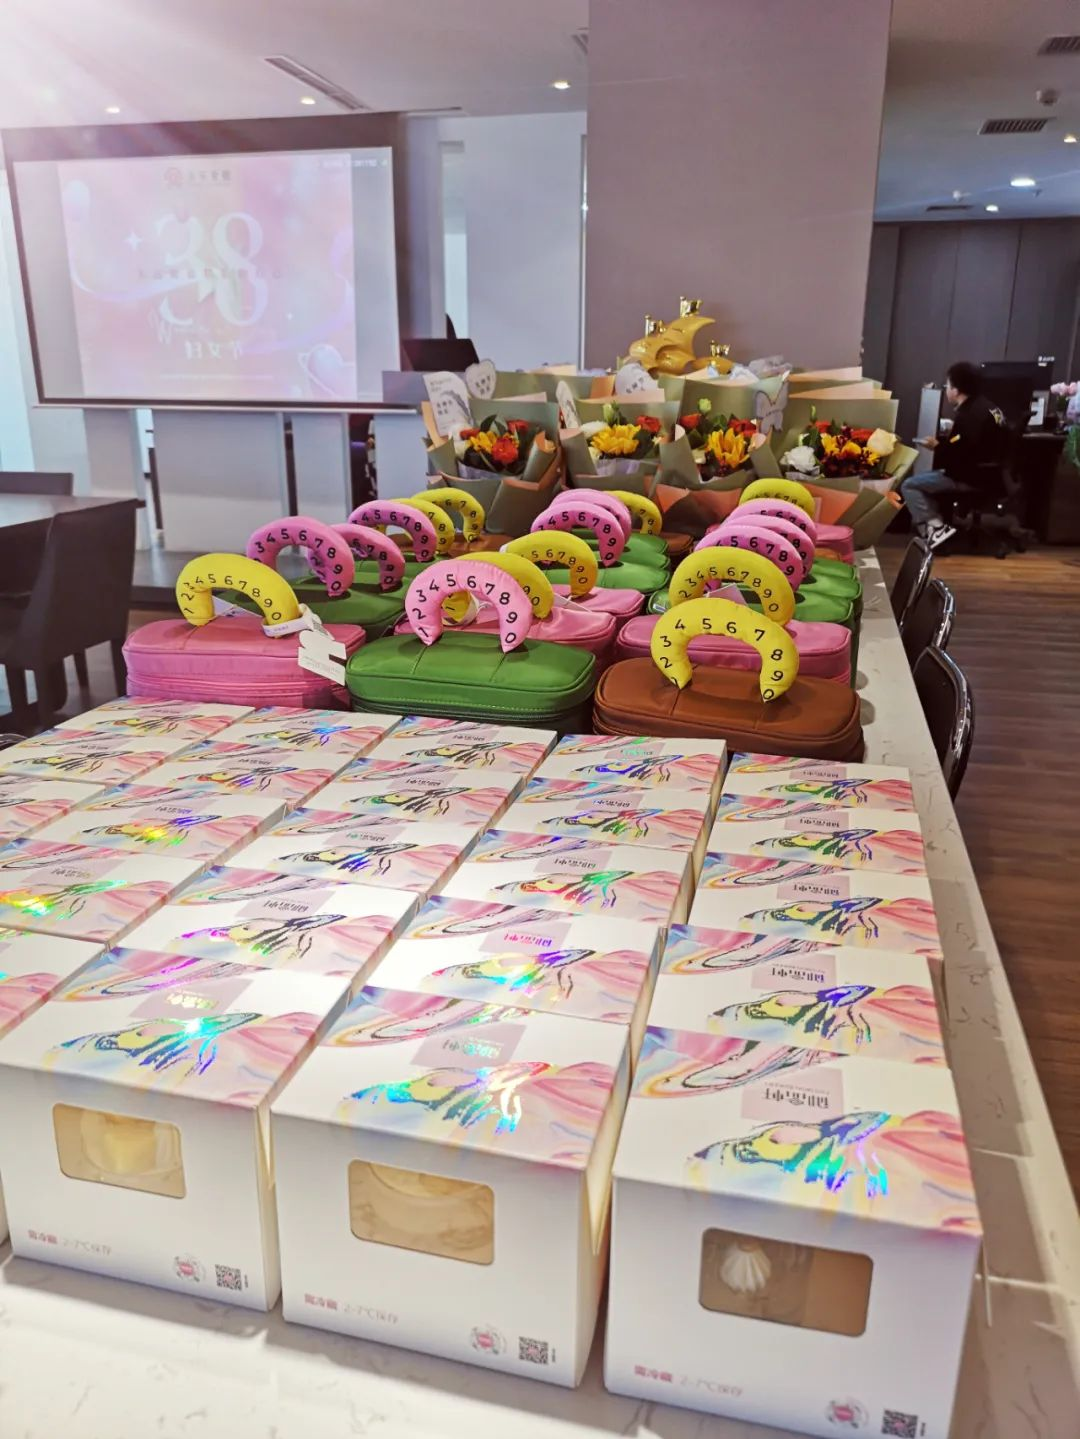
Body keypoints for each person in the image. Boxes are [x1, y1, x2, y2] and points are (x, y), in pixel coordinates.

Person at [901, 360, 1005, 549]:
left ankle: (936, 528)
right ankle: (937, 528)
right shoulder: (991, 407)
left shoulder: (967, 417)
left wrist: (937, 446)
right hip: (991, 476)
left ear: (956, 390)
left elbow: (956, 459)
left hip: (969, 477)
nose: (946, 389)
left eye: (948, 385)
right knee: (930, 479)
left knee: (910, 485)